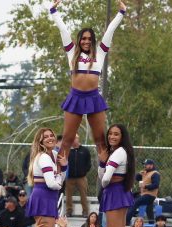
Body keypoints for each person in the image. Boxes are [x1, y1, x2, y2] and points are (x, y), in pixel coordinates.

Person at [50, 0, 127, 161]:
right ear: (79, 40)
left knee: (100, 140)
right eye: (83, 38)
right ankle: (58, 178)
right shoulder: (71, 52)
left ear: (93, 40)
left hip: (93, 98)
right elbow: (63, 30)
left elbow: (110, 31)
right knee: (67, 140)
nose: (86, 41)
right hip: (75, 98)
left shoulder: (100, 53)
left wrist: (121, 13)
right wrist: (53, 11)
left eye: (89, 39)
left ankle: (105, 177)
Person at [26, 127, 67, 227]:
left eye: (52, 135)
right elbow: (52, 184)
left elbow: (60, 177)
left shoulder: (54, 154)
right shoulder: (43, 157)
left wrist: (65, 168)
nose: (50, 138)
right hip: (43, 196)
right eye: (46, 136)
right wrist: (59, 181)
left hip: (48, 198)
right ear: (41, 141)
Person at [98, 124, 135, 227]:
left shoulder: (118, 152)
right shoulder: (123, 151)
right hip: (121, 192)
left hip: (114, 193)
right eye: (110, 133)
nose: (112, 136)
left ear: (122, 137)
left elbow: (105, 179)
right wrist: (102, 164)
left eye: (116, 134)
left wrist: (104, 183)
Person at [127, 158, 160, 225]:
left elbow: (156, 185)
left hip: (150, 195)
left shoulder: (155, 174)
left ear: (151, 165)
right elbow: (137, 178)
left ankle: (126, 221)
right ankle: (151, 222)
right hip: (144, 194)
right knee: (149, 208)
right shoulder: (145, 172)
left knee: (135, 203)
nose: (144, 166)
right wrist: (139, 174)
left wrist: (145, 186)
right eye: (144, 164)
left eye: (146, 165)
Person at [65, 134, 92, 217]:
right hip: (70, 178)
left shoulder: (84, 150)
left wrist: (84, 171)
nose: (73, 140)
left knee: (83, 194)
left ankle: (85, 211)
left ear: (78, 139)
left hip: (81, 177)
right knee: (68, 195)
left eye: (75, 139)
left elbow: (89, 163)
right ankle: (69, 211)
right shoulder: (67, 150)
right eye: (72, 139)